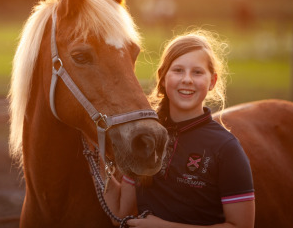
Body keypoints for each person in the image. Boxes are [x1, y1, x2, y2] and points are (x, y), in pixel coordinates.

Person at [104, 29, 255, 228]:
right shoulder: (146, 137)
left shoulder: (226, 148)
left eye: (197, 72)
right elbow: (119, 213)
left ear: (212, 81)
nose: (187, 79)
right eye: (178, 70)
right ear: (163, 77)